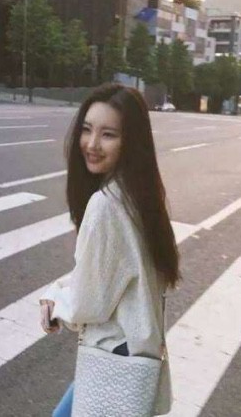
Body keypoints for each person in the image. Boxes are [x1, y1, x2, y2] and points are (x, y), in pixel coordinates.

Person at [39, 83, 180, 416]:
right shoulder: (141, 197)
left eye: (108, 135)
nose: (91, 144)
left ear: (130, 142)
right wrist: (58, 290)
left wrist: (56, 302)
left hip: (114, 360)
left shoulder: (106, 205)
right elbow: (109, 273)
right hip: (131, 353)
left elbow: (88, 304)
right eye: (87, 130)